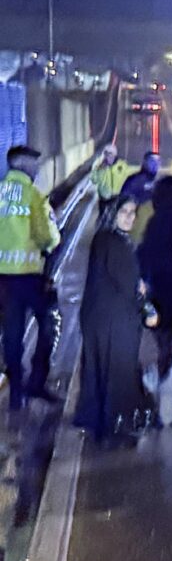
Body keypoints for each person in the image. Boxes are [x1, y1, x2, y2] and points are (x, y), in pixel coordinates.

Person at [73, 191, 149, 445]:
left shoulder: (102, 238)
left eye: (132, 213)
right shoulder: (117, 244)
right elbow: (128, 285)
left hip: (96, 316)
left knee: (97, 370)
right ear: (112, 214)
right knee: (118, 371)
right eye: (124, 213)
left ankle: (93, 420)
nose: (129, 218)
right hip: (115, 320)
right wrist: (144, 302)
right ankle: (114, 429)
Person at [0, 144, 60, 411]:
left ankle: (15, 393)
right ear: (23, 164)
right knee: (49, 324)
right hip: (31, 279)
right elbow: (49, 237)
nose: (37, 169)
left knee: (11, 335)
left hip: (3, 281)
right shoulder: (33, 195)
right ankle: (36, 382)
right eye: (34, 164)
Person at [138, 172, 172, 427]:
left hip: (159, 298)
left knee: (165, 350)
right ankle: (167, 408)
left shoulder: (154, 225)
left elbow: (143, 260)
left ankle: (163, 401)